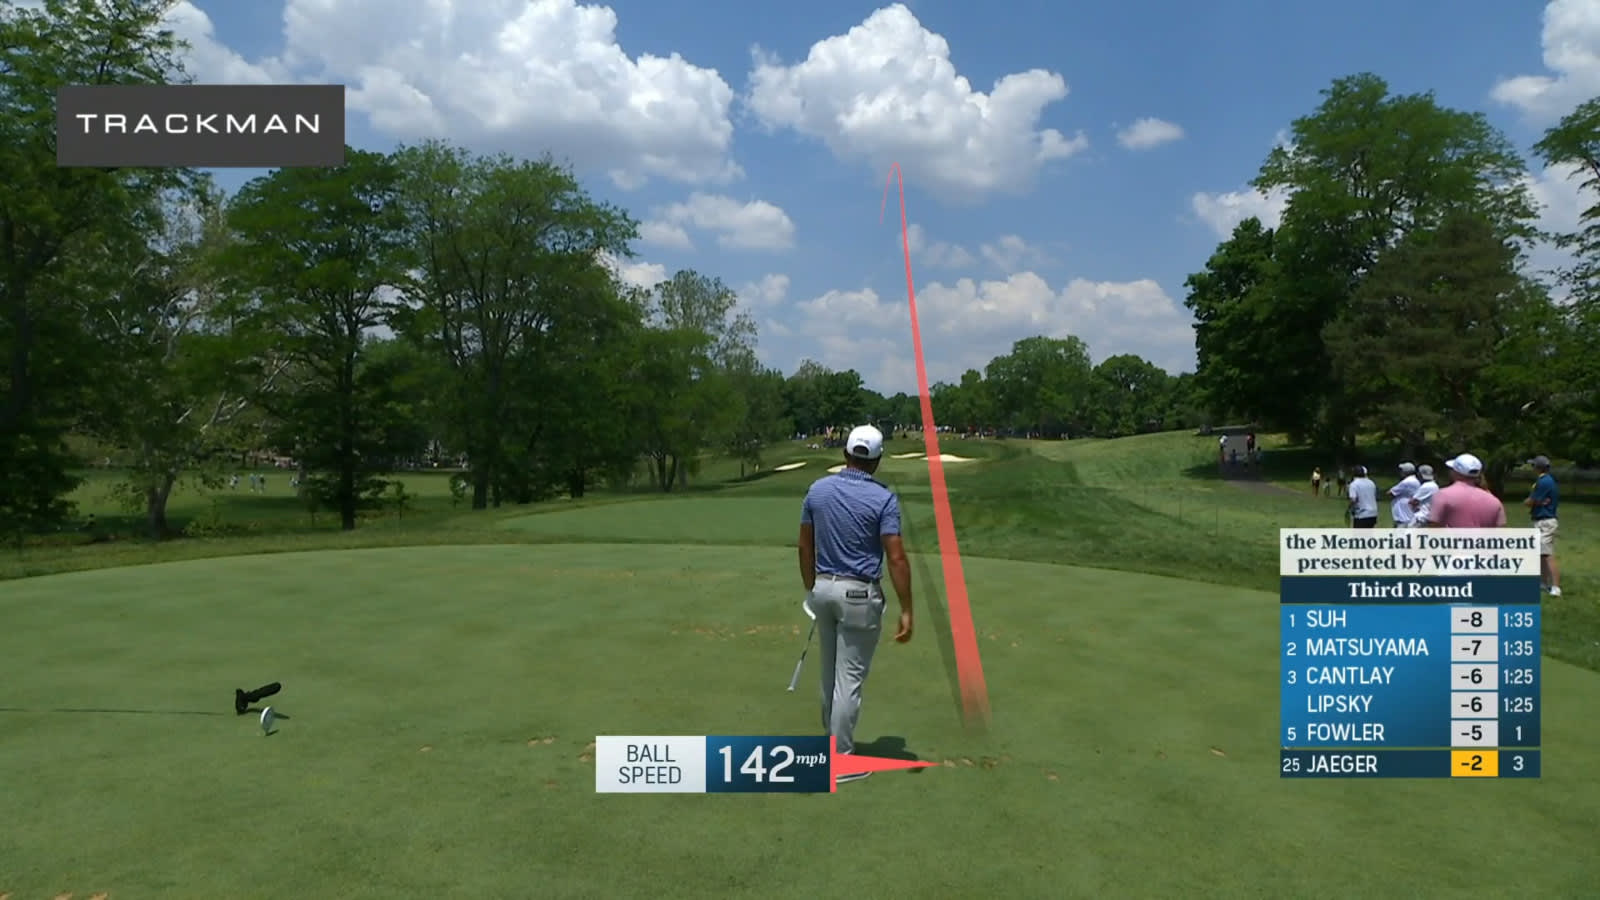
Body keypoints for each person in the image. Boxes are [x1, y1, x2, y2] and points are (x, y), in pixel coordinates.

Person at [797, 424, 913, 780]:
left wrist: (811, 589)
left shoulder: (817, 490)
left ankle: (831, 747)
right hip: (859, 595)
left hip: (824, 591)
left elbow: (804, 545)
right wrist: (907, 608)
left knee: (829, 674)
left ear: (845, 454)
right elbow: (895, 557)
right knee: (848, 680)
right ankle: (842, 761)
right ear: (877, 461)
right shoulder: (883, 498)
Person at [1427, 453, 1506, 528]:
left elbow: (1434, 527)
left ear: (1455, 472)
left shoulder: (1442, 495)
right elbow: (1499, 531)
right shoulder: (1494, 501)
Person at [1525, 455, 1561, 596]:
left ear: (1538, 467)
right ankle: (1543, 582)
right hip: (1542, 520)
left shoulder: (1544, 482)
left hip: (1545, 521)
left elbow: (1531, 500)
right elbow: (1537, 501)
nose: (1532, 467)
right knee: (1541, 554)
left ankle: (1556, 587)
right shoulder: (1546, 480)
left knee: (1547, 554)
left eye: (1533, 465)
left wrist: (1530, 502)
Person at [1389, 462, 1419, 527]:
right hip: (1409, 513)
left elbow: (1391, 493)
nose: (1400, 472)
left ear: (1405, 471)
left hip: (1403, 515)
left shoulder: (1406, 482)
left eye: (1401, 470)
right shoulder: (1415, 480)